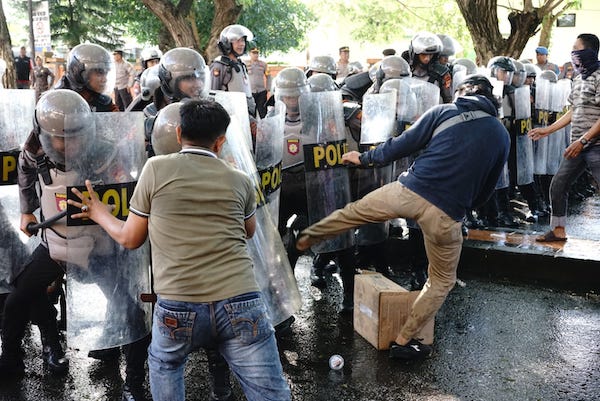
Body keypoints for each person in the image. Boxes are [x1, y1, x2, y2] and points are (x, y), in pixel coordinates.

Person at [67, 99, 291, 401]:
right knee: (271, 394)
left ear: (178, 133)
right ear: (221, 140)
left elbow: (130, 238)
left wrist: (98, 212)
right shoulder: (239, 180)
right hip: (241, 302)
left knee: (166, 364)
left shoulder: (156, 169)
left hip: (178, 306)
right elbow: (248, 231)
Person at [296, 74, 510, 360]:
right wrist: (462, 209)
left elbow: (402, 145)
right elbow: (487, 190)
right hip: (447, 214)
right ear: (491, 101)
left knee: (355, 212)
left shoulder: (443, 111)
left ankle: (309, 236)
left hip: (408, 189)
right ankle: (404, 340)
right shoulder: (501, 134)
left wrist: (364, 158)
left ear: (464, 93)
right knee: (440, 281)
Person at [0, 90, 90, 380]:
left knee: (127, 301)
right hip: (57, 242)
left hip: (101, 244)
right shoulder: (34, 149)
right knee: (19, 298)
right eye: (59, 137)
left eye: (74, 136)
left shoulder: (105, 151)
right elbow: (24, 171)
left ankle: (135, 375)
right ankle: (26, 354)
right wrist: (27, 211)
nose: (66, 144)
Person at [528, 33, 600, 242]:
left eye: (575, 48)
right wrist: (547, 130)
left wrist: (584, 141)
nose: (572, 53)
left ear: (586, 52)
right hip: (576, 146)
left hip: (594, 145)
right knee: (558, 185)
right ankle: (558, 231)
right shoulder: (577, 79)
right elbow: (573, 111)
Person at [210, 24, 256, 116]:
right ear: (227, 43)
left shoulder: (241, 64)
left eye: (243, 40)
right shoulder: (221, 65)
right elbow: (212, 96)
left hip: (246, 115)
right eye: (237, 41)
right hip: (230, 117)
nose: (242, 44)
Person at [404, 32, 453, 103]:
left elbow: (448, 99)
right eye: (423, 54)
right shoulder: (404, 69)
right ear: (415, 54)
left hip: (434, 112)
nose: (427, 58)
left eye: (430, 55)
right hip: (409, 111)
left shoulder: (442, 73)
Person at [246, 46, 271, 118]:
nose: (255, 55)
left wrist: (268, 88)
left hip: (261, 92)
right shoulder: (245, 64)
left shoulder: (263, 64)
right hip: (250, 92)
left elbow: (268, 76)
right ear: (250, 54)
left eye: (257, 53)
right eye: (253, 53)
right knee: (251, 113)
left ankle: (265, 127)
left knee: (263, 112)